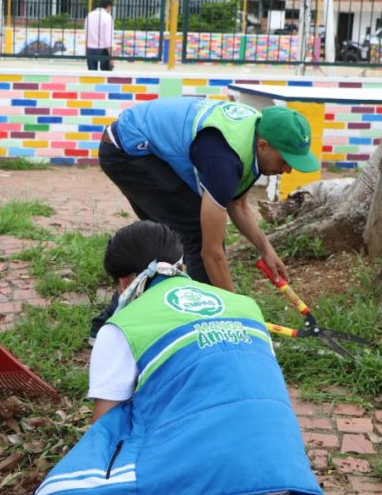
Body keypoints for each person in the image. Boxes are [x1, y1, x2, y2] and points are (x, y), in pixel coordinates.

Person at [7, 220, 324, 495]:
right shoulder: (243, 305)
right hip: (277, 488)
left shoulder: (124, 325)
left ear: (122, 281)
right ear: (180, 264)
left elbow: (106, 437)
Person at [90, 98, 320, 340]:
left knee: (171, 243)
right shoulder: (225, 157)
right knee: (196, 233)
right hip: (127, 150)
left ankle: (119, 323)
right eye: (285, 161)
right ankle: (208, 326)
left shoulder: (252, 138)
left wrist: (266, 249)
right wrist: (237, 314)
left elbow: (237, 202)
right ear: (263, 146)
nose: (288, 170)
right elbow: (210, 252)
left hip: (143, 147)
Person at [84, 0, 114, 71]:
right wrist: (111, 57)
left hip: (90, 48)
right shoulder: (107, 17)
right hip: (103, 49)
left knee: (92, 75)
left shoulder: (89, 15)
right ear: (109, 6)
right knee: (105, 75)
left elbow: (86, 33)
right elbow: (108, 39)